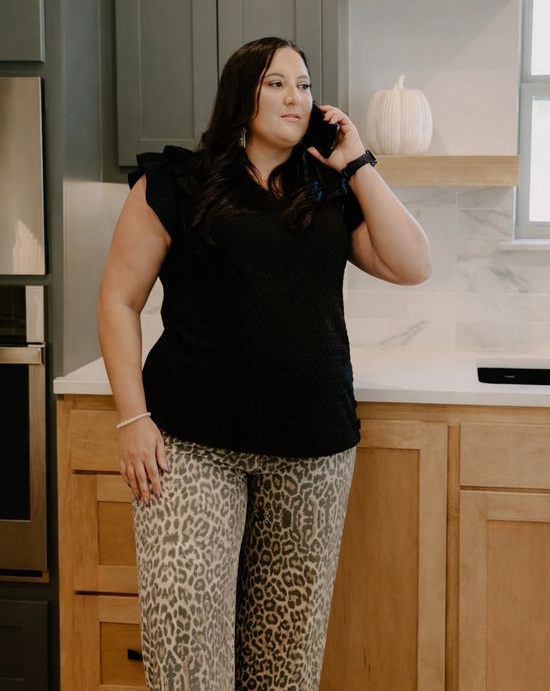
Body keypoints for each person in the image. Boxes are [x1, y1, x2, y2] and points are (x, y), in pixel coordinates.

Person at [97, 35, 431, 691]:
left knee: (284, 662)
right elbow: (118, 298)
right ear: (241, 93)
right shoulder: (175, 182)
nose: (295, 96)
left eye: (305, 86)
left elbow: (413, 264)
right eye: (277, 82)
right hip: (191, 449)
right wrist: (131, 417)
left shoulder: (328, 191)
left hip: (311, 453)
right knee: (186, 642)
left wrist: (358, 159)